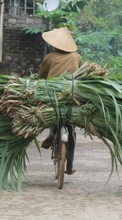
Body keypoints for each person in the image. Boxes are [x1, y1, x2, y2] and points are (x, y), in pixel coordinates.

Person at [38, 27, 82, 175]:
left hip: (52, 96)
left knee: (54, 115)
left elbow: (41, 77)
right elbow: (82, 76)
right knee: (71, 130)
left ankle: (52, 134)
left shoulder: (49, 57)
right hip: (71, 96)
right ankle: (69, 166)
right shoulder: (76, 57)